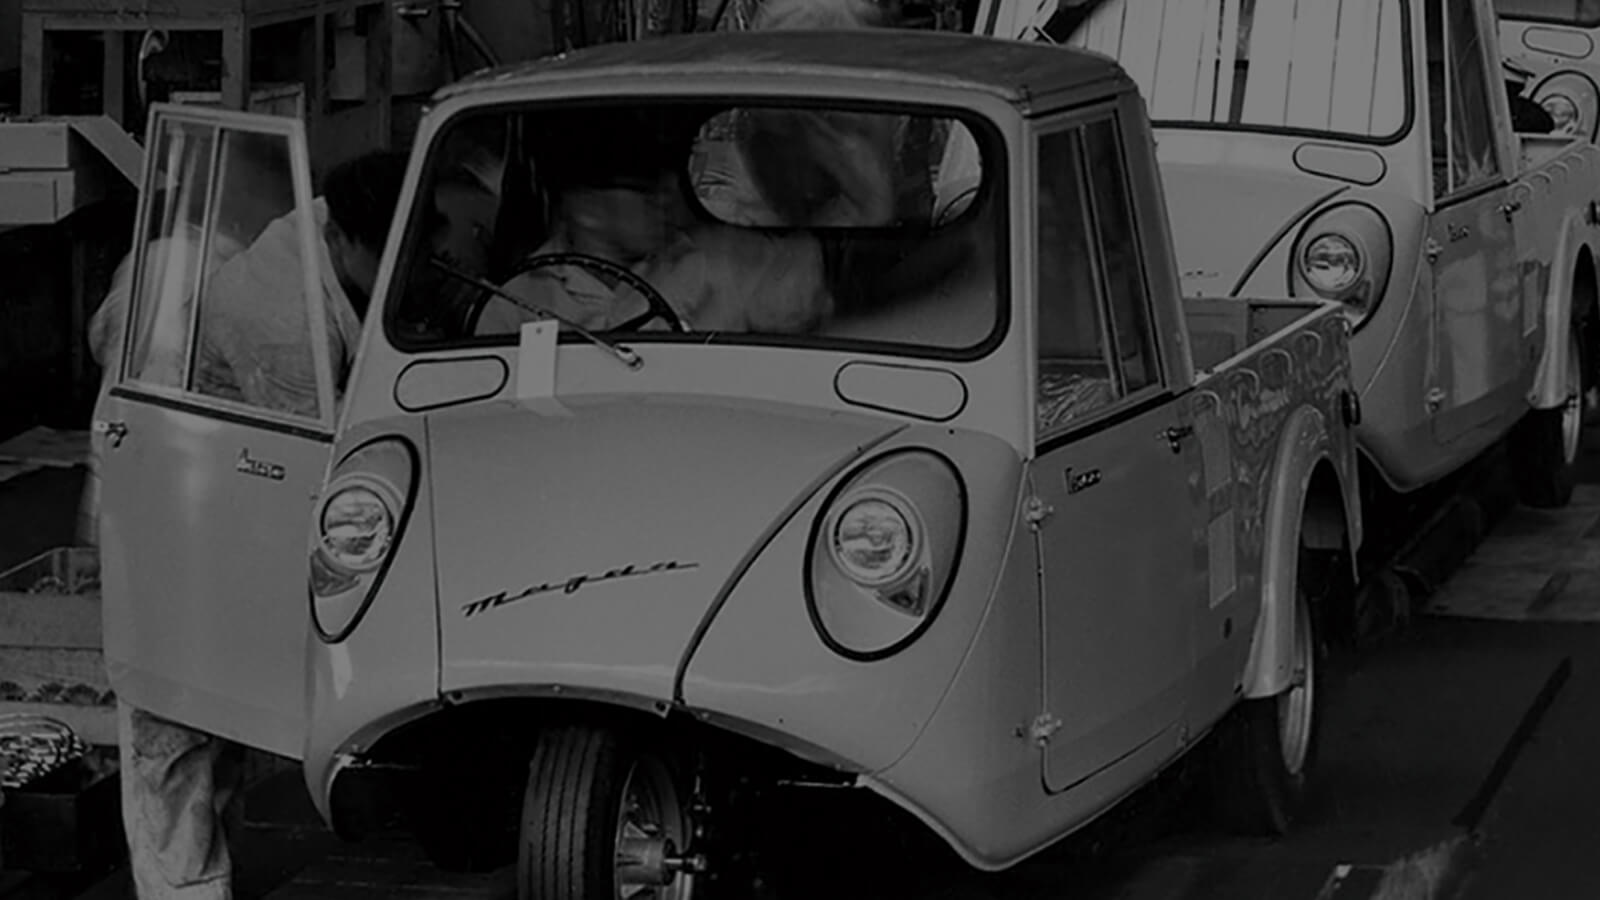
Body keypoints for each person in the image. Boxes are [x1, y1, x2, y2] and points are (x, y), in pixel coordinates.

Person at [83, 148, 408, 900]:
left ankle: (202, 874)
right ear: (351, 242)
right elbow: (308, 468)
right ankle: (185, 891)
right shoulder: (278, 315)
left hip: (198, 499)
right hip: (179, 513)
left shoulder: (295, 241)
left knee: (209, 715)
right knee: (173, 727)